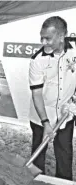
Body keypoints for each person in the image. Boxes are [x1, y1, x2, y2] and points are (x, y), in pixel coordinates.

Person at [29, 16, 76, 180]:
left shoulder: (75, 49)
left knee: (64, 155)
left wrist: (74, 100)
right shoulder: (37, 60)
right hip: (41, 116)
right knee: (37, 155)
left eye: (48, 38)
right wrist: (46, 123)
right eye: (41, 37)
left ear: (62, 36)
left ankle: (64, 181)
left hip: (66, 114)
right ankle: (35, 180)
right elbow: (36, 94)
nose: (43, 42)